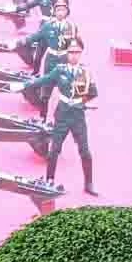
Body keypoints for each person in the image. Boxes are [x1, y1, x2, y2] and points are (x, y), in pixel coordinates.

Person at [45, 65, 97, 195]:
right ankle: (49, 181)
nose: (74, 55)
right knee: (54, 150)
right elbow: (45, 80)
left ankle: (89, 184)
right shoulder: (60, 70)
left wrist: (80, 102)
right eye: (72, 54)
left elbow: (93, 92)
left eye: (76, 54)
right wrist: (25, 85)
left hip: (77, 118)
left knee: (85, 151)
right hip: (62, 117)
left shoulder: (85, 73)